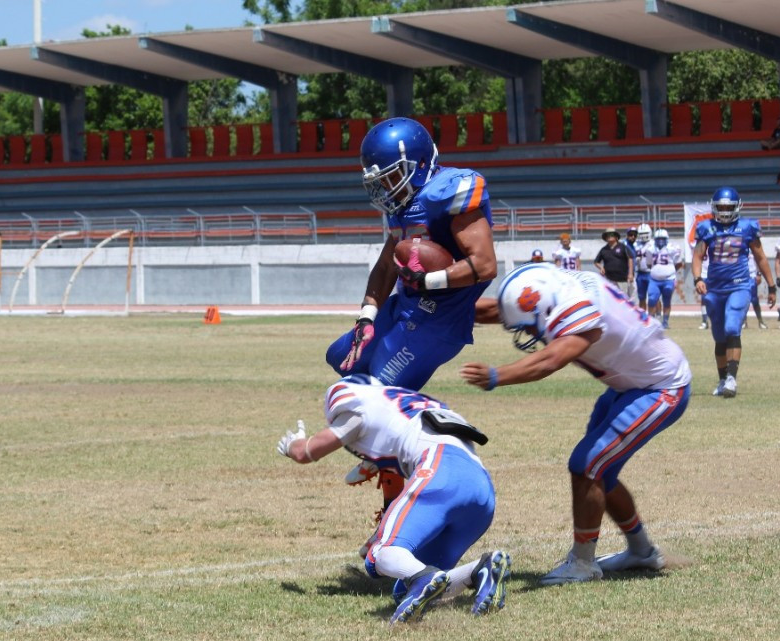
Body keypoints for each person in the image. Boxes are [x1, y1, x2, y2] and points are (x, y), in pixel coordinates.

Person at [459, 263, 691, 585]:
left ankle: (583, 563)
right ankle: (642, 552)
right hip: (630, 385)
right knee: (599, 473)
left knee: (587, 466)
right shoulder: (563, 291)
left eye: (529, 328)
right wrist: (439, 308)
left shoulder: (584, 316)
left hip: (661, 388)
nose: (528, 334)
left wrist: (497, 376)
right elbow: (500, 310)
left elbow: (549, 360)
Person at [276, 375, 510, 623]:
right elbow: (396, 487)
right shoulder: (411, 403)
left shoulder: (358, 402)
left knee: (381, 553)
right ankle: (480, 570)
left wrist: (293, 444)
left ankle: (422, 576)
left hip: (440, 469)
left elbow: (308, 452)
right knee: (405, 587)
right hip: (481, 490)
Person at [326, 117, 497, 391]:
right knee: (340, 356)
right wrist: (367, 316)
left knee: (381, 391)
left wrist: (428, 280)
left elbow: (485, 265)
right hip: (406, 305)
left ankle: (435, 428)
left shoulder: (447, 191)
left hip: (438, 318)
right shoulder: (403, 206)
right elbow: (385, 267)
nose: (385, 187)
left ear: (419, 165)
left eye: (390, 176)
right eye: (379, 180)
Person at [691, 187, 777, 398]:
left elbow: (761, 257)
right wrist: (697, 278)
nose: (725, 211)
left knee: (732, 327)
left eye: (729, 207)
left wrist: (772, 285)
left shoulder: (747, 227)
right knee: (719, 336)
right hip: (714, 288)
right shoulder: (706, 227)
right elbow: (698, 256)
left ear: (737, 207)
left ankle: (731, 378)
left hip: (739, 284)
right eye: (721, 207)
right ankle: (722, 380)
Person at [641, 229, 684, 328]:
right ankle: (650, 321)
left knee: (666, 301)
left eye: (662, 239)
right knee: (652, 299)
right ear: (654, 239)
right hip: (654, 279)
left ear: (667, 239)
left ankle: (665, 322)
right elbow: (649, 264)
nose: (660, 241)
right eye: (658, 239)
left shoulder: (672, 248)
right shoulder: (650, 249)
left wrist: (670, 272)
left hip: (669, 279)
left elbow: (678, 263)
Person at [594, 227, 632, 296]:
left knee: (624, 299)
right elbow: (596, 262)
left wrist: (630, 274)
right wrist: (601, 267)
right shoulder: (604, 249)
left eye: (611, 234)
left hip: (622, 279)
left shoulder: (623, 247)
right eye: (607, 235)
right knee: (611, 299)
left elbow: (630, 259)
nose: (609, 236)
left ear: (616, 236)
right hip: (609, 280)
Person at [747, 253, 769, 329]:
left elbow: (758, 258)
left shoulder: (751, 244)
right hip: (740, 276)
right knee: (742, 300)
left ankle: (760, 321)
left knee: (754, 300)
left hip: (752, 275)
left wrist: (759, 273)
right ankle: (743, 322)